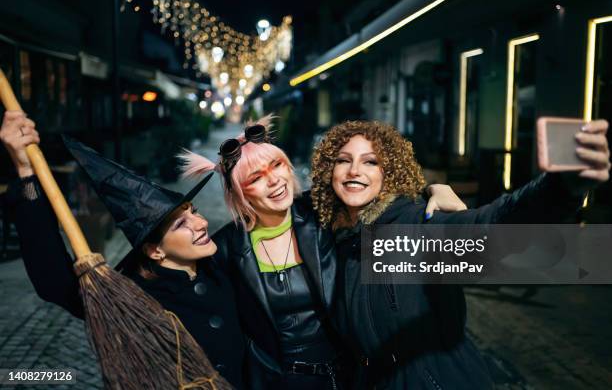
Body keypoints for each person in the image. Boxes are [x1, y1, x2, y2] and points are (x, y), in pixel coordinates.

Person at [309, 119, 610, 389]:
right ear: (329, 171)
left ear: (389, 173)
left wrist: (562, 187)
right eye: (343, 160)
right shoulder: (335, 237)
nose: (354, 171)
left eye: (371, 162)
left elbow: (492, 226)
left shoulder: (416, 229)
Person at [181, 117, 467, 389]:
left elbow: (377, 196)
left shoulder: (322, 214)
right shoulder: (225, 250)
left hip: (344, 378)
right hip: (274, 383)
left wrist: (432, 192)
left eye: (277, 165)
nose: (274, 180)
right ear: (239, 193)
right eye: (256, 177)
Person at [0, 111, 246, 388]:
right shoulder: (132, 297)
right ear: (155, 251)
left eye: (195, 212)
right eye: (181, 223)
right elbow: (53, 279)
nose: (201, 223)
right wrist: (24, 171)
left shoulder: (225, 262)